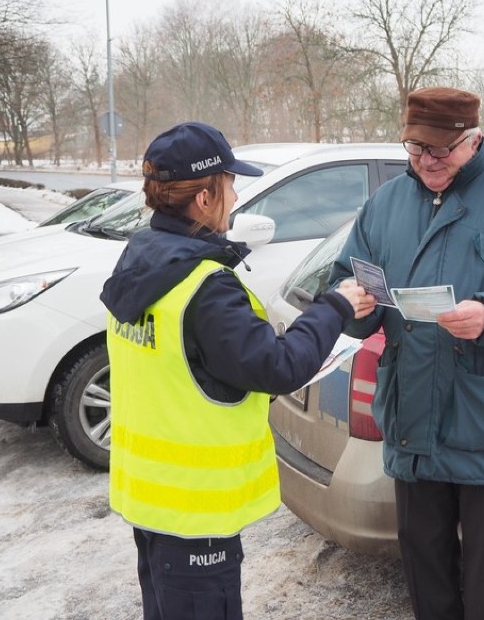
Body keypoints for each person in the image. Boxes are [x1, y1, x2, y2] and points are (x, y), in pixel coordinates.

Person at [100, 121, 373, 620]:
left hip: (149, 497)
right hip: (196, 511)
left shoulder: (143, 259)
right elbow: (277, 366)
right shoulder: (204, 284)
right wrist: (334, 307)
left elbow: (190, 368)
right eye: (228, 184)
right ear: (204, 198)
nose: (234, 195)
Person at [328, 87, 484, 620]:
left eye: (442, 150)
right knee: (427, 580)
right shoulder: (385, 204)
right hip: (411, 423)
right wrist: (354, 307)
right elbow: (347, 283)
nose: (428, 161)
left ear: (474, 139)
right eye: (416, 149)